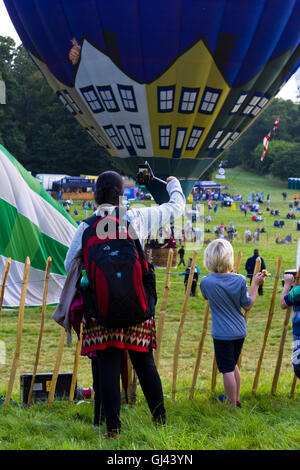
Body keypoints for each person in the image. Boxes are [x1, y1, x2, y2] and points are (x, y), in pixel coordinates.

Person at [64, 170, 185, 438]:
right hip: (136, 307)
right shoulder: (135, 218)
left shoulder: (85, 227)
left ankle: (113, 430)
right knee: (144, 364)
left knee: (108, 364)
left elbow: (68, 264)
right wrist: (174, 186)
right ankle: (160, 421)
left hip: (102, 310)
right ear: (122, 194)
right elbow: (176, 208)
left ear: (96, 195)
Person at [200, 239, 265, 409]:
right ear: (229, 258)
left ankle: (231, 406)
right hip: (239, 330)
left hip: (222, 333)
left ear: (209, 259)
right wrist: (255, 285)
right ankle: (235, 399)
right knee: (233, 364)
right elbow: (247, 305)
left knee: (227, 369)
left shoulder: (206, 282)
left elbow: (206, 296)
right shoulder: (240, 280)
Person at [280, 274, 300, 380]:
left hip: (299, 334)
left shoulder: (297, 291)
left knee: (298, 365)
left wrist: (287, 285)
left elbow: (283, 304)